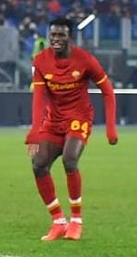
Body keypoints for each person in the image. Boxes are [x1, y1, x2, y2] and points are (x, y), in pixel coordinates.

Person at [26, 17, 118, 242]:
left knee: (69, 160)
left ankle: (76, 220)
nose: (56, 39)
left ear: (70, 37)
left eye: (61, 35)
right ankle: (58, 221)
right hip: (54, 120)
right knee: (38, 165)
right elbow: (39, 99)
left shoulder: (85, 60)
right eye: (53, 35)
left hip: (79, 117)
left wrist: (110, 128)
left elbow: (108, 91)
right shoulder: (40, 61)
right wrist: (35, 131)